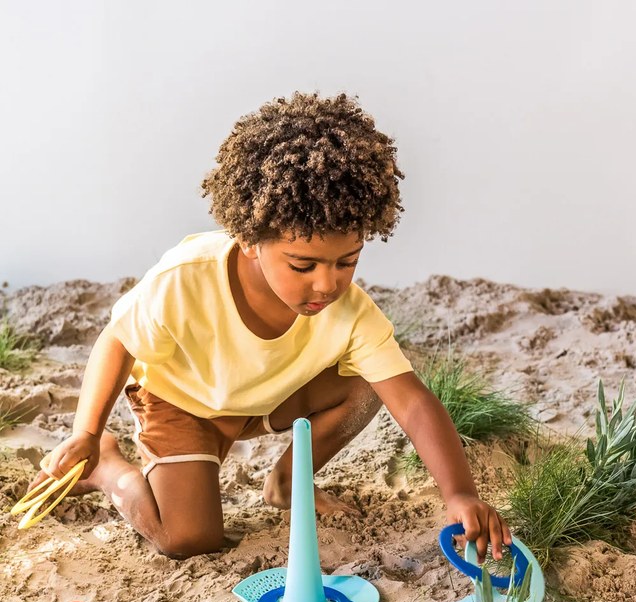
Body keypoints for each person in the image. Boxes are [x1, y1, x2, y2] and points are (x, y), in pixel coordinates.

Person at [36, 91, 511, 560]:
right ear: (248, 239)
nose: (327, 284)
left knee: (367, 385)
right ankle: (109, 467)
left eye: (347, 261)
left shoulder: (351, 313)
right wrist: (86, 432)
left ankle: (286, 483)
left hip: (260, 402)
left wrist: (459, 493)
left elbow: (411, 401)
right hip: (181, 404)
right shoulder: (186, 277)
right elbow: (117, 342)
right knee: (186, 538)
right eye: (303, 265)